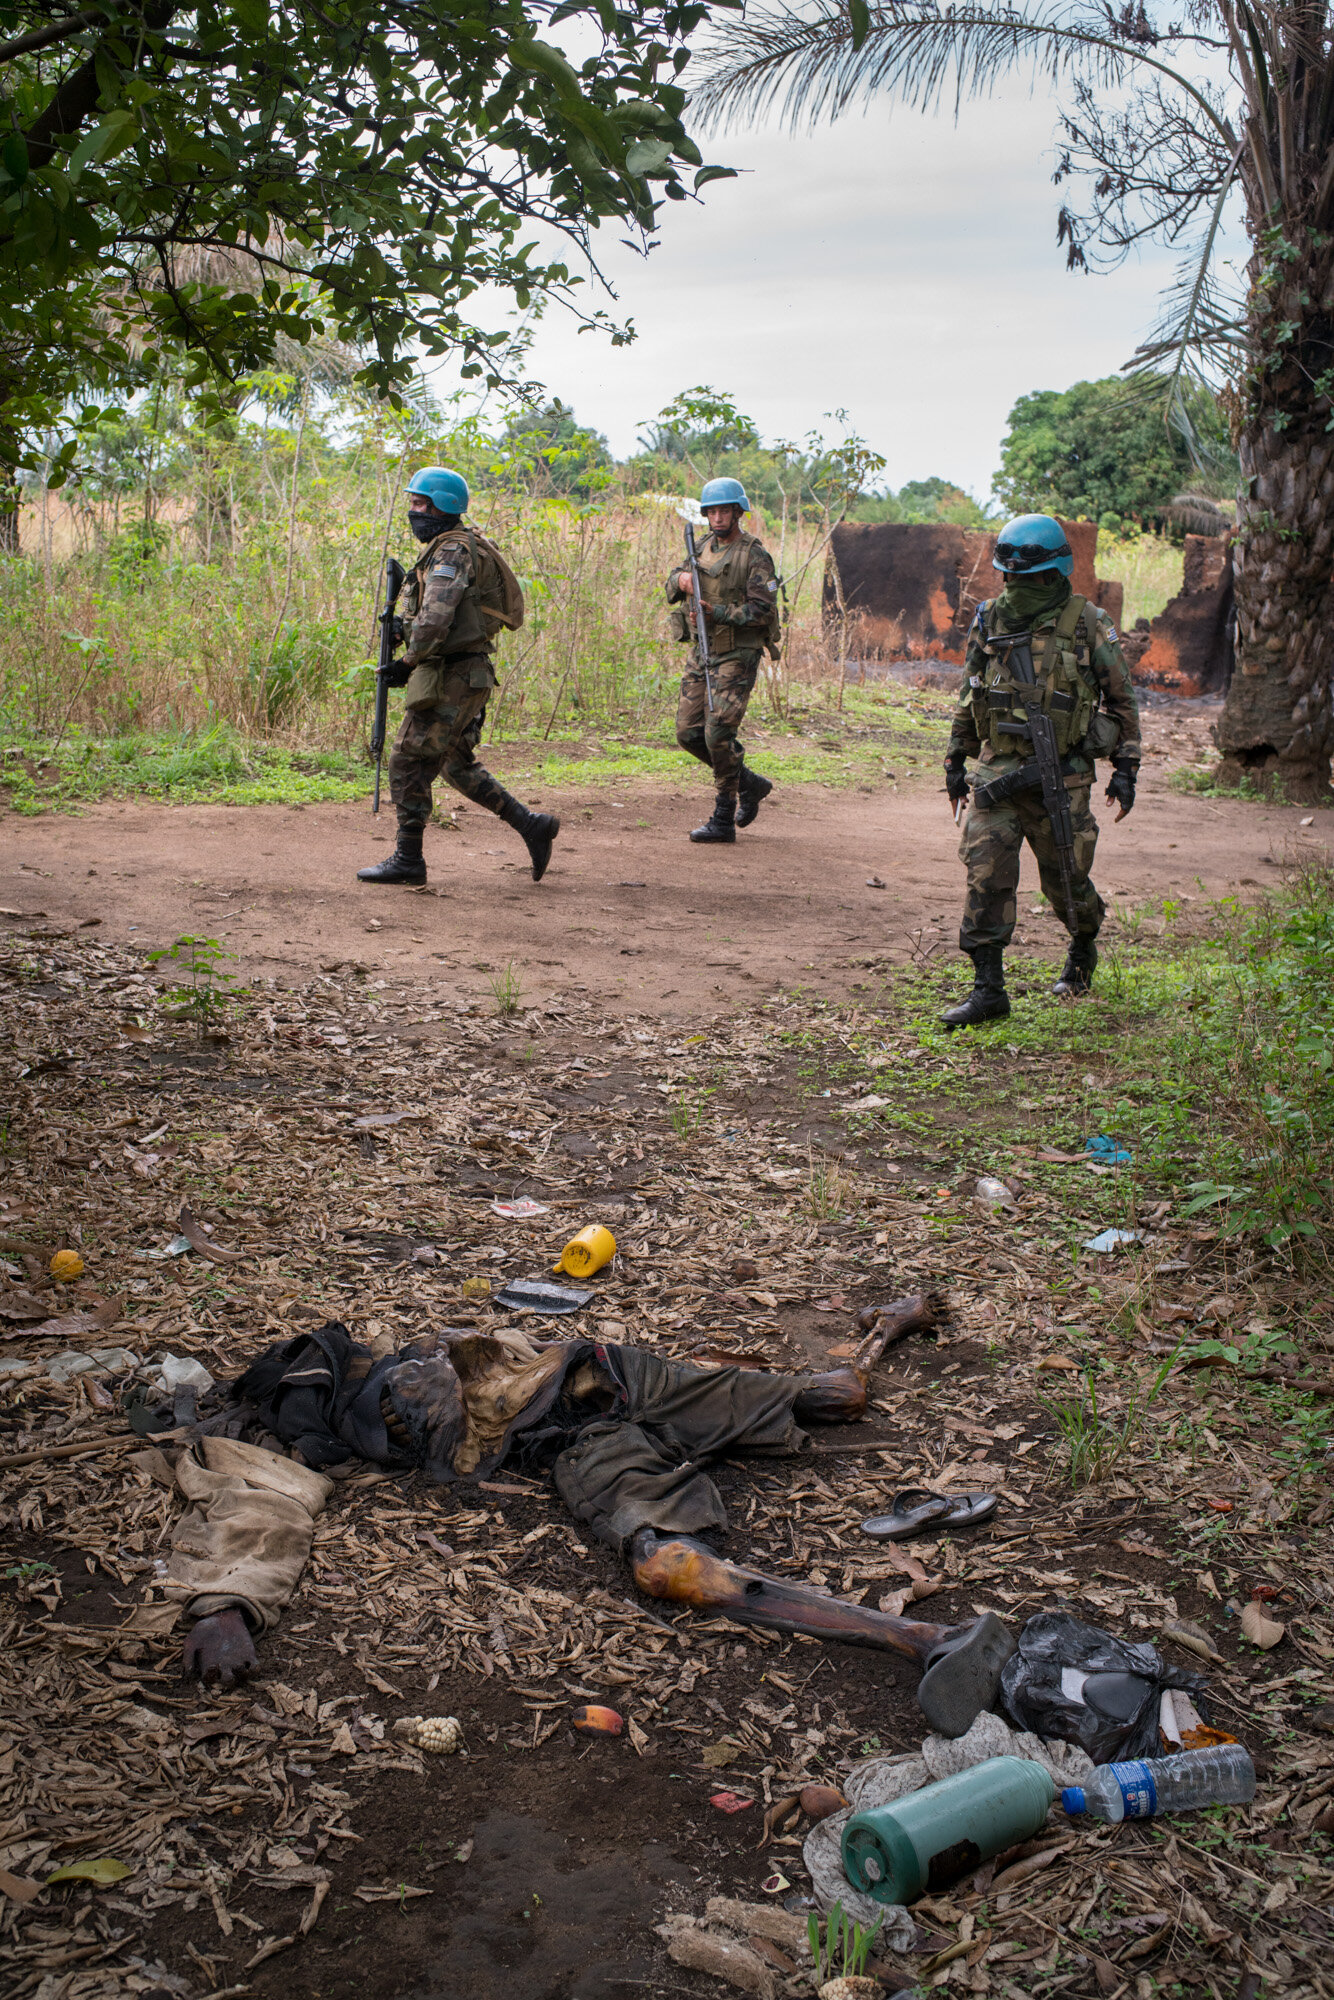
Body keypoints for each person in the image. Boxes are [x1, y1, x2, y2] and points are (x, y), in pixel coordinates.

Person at [940, 513, 1141, 1030]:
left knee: (1067, 883)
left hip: (1063, 777)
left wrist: (1126, 769)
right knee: (986, 875)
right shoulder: (988, 619)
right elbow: (970, 692)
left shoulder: (1088, 622)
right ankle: (988, 990)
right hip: (997, 774)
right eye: (1016, 575)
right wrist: (955, 761)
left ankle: (1083, 942)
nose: (1022, 585)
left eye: (1033, 576)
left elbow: (1121, 701)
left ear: (1055, 573)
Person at [357, 467, 559, 886]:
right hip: (466, 672)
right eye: (412, 503)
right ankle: (532, 826)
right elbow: (436, 615)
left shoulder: (451, 552)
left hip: (455, 673)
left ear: (442, 506)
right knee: (453, 762)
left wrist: (407, 661)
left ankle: (408, 859)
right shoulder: (454, 547)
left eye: (419, 504)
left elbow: (436, 619)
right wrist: (402, 630)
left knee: (407, 758)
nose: (413, 512)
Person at [666, 478, 781, 844]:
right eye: (711, 511)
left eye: (724, 511)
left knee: (718, 733)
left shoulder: (754, 555)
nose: (717, 517)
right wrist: (682, 580)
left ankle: (723, 817)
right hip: (703, 651)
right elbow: (672, 580)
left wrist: (718, 611)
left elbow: (763, 610)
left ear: (737, 512)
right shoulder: (700, 547)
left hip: (737, 654)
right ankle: (749, 784)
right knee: (688, 733)